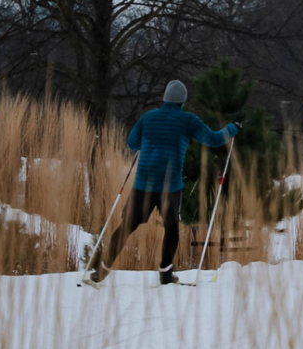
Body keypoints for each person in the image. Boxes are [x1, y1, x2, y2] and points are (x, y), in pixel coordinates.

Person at [85, 80, 238, 287]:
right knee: (172, 228)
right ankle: (166, 273)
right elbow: (213, 139)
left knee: (127, 226)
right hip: (170, 186)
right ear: (182, 101)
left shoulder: (148, 117)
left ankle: (101, 269)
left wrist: (149, 140)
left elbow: (132, 143)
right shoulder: (188, 120)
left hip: (143, 184)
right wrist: (231, 128)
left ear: (165, 97)